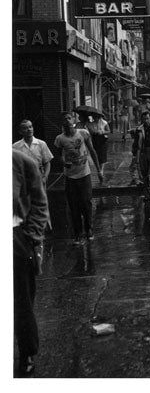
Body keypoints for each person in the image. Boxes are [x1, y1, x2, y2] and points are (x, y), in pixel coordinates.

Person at [13, 149, 49, 377]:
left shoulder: (19, 161)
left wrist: (31, 236)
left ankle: (26, 352)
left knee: (21, 301)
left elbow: (40, 202)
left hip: (14, 237)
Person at [54, 112, 103, 244]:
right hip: (70, 176)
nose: (68, 121)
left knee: (86, 202)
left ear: (74, 119)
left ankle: (89, 230)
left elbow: (92, 151)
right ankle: (78, 233)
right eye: (65, 119)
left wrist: (99, 171)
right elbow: (60, 156)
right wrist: (64, 162)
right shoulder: (60, 139)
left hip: (84, 174)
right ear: (62, 123)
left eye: (69, 118)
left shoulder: (83, 133)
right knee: (73, 206)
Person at [13, 119, 54, 185]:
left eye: (30, 127)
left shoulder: (41, 144)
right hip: (23, 180)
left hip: (39, 178)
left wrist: (45, 177)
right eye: (25, 128)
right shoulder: (15, 146)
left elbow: (47, 162)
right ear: (20, 131)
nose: (29, 129)